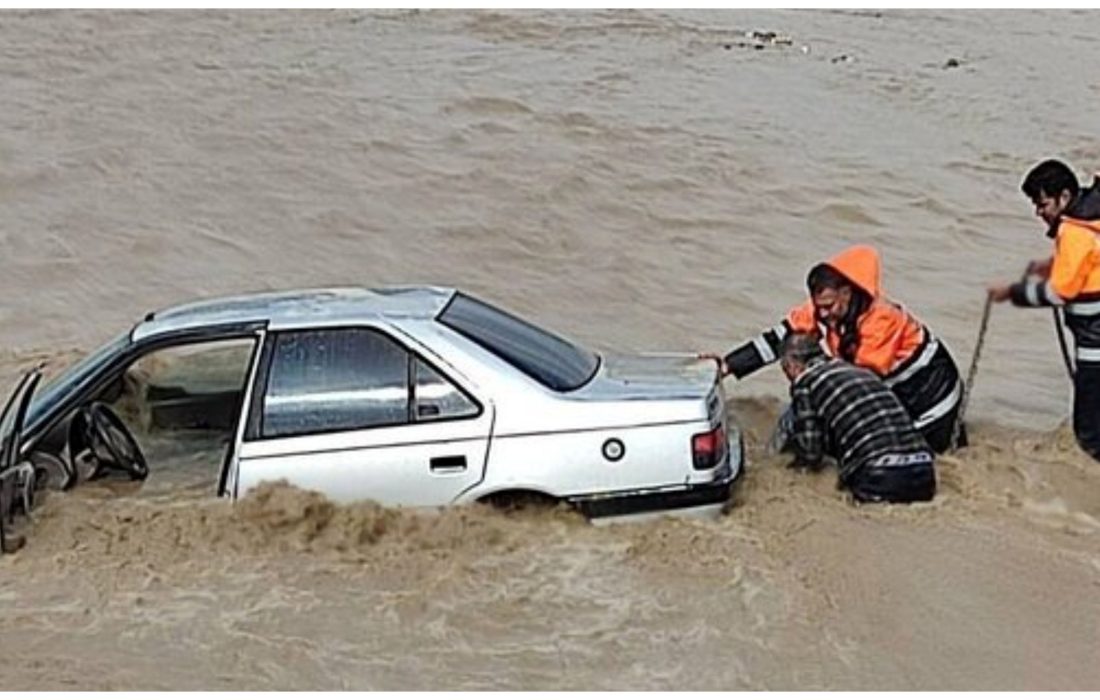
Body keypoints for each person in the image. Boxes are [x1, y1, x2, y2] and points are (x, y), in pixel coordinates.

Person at [702, 244, 964, 452]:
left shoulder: (883, 320)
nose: (823, 314)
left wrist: (808, 384)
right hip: (894, 391)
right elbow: (778, 338)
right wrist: (727, 365)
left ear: (846, 294)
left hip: (931, 402)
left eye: (829, 306)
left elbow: (860, 381)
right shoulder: (823, 308)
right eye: (819, 306)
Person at [988, 159, 1100, 461]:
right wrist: (1052, 265)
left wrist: (1012, 292)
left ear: (1064, 197)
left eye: (1042, 203)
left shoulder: (1074, 231)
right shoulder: (1093, 217)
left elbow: (1059, 291)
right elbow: (1090, 263)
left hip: (1095, 345)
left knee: (1088, 432)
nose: (1039, 212)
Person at [780, 332, 936, 503]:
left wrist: (784, 471)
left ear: (791, 365)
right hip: (924, 472)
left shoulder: (806, 382)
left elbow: (810, 452)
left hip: (880, 476)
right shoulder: (859, 371)